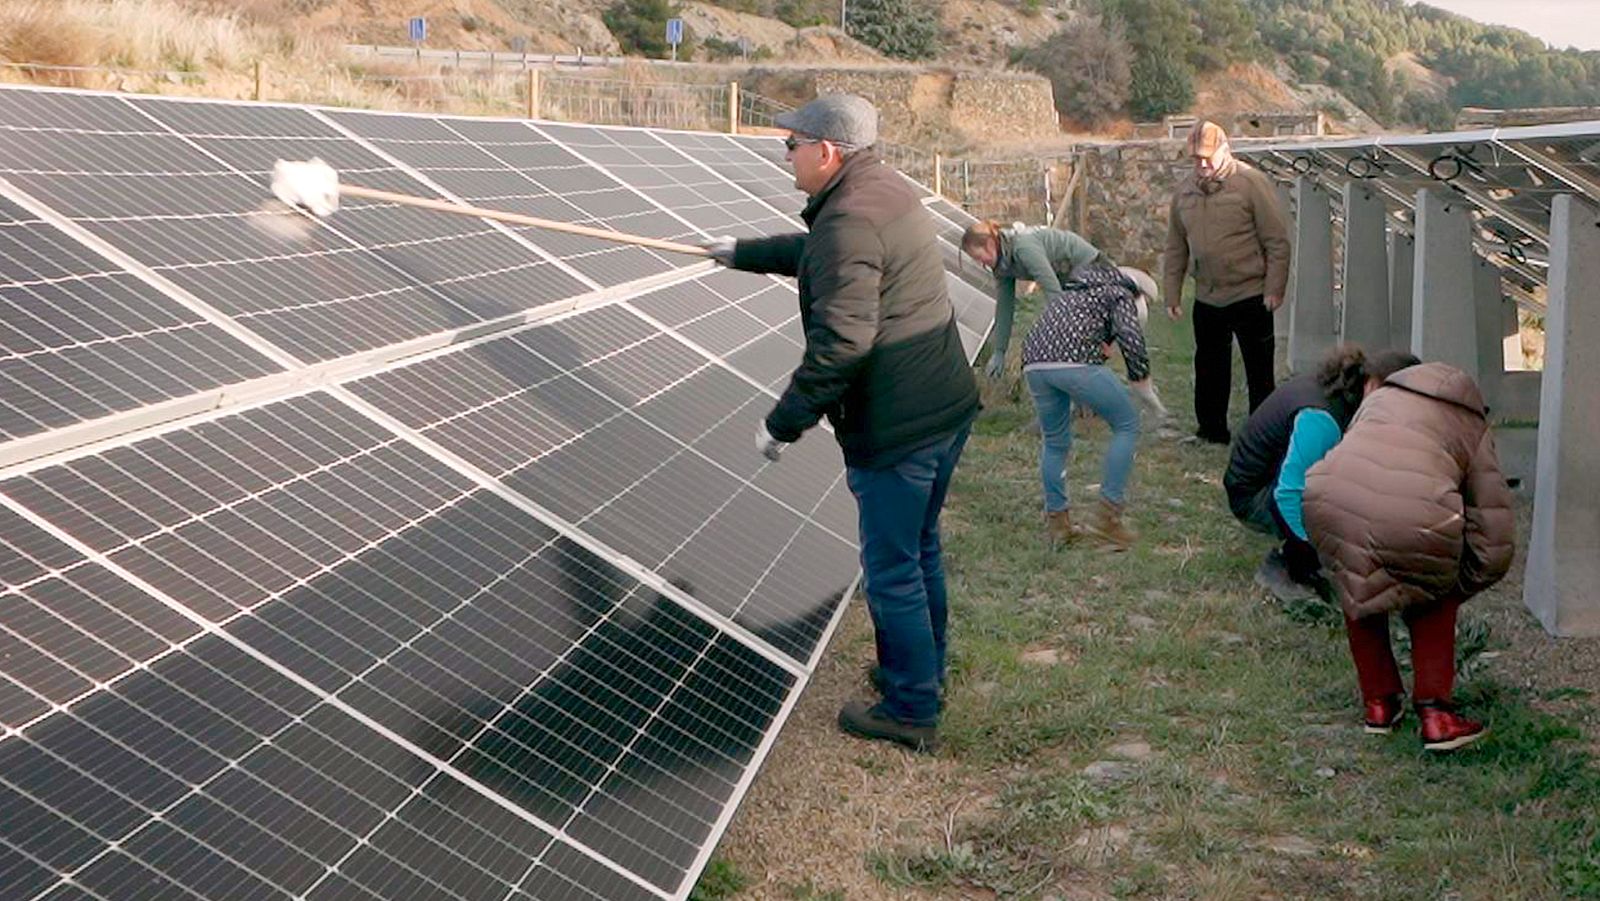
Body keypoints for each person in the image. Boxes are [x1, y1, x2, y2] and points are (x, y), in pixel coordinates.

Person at [701, 94, 979, 754]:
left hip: (900, 426)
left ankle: (911, 710)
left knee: (891, 569)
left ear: (826, 152)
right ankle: (923, 672)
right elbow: (824, 252)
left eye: (790, 146)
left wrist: (782, 422)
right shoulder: (882, 189)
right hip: (944, 408)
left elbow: (842, 345)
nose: (786, 157)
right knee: (920, 548)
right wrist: (744, 252)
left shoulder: (849, 218)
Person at [1303, 362, 1515, 751]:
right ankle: (1437, 715)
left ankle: (1379, 704)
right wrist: (1457, 584)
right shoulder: (1470, 425)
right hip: (1413, 514)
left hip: (1329, 497)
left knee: (1359, 586)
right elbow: (1493, 529)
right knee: (1434, 596)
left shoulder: (1380, 400)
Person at [1224, 346, 1421, 594]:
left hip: (1271, 479)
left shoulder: (1344, 389)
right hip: (1255, 496)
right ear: (1374, 384)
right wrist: (1319, 549)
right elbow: (1288, 494)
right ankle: (1288, 567)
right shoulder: (1322, 417)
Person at [1162, 120, 1291, 445]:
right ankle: (1211, 431)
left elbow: (1276, 241)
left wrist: (1275, 289)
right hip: (1207, 294)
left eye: (1207, 157)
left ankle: (1263, 435)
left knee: (1259, 370)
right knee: (1208, 368)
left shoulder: (1251, 183)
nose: (1201, 164)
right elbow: (1176, 246)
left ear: (1224, 150)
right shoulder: (1184, 193)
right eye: (1195, 158)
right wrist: (1172, 293)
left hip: (1251, 293)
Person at [1020, 263, 1158, 550]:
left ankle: (1058, 525)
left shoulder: (1072, 294)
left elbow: (1082, 332)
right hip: (1074, 362)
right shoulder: (1120, 294)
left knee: (1055, 442)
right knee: (1127, 424)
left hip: (1034, 363)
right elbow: (1131, 338)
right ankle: (1108, 517)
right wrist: (1141, 378)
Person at [959, 221, 1105, 381]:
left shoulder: (1023, 248)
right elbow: (1004, 307)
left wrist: (1065, 333)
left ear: (989, 244)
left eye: (980, 257)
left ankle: (1092, 385)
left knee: (1082, 341)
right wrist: (999, 351)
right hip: (1067, 278)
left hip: (1090, 267)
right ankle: (1080, 386)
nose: (981, 263)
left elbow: (1052, 290)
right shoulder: (1002, 264)